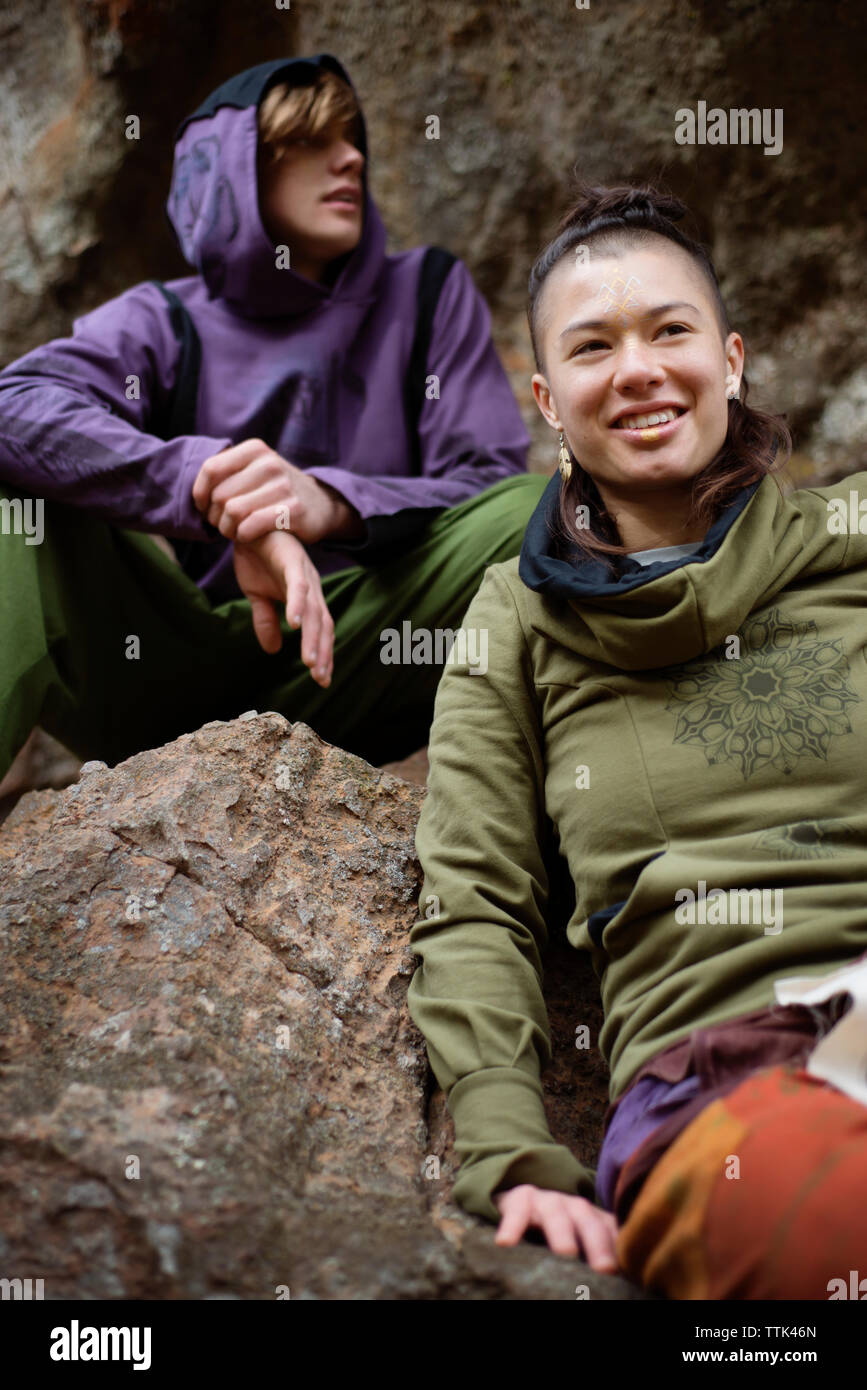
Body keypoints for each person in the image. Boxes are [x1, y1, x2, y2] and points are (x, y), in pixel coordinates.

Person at [407, 180, 867, 1300]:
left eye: (672, 330)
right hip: (730, 1077)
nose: (641, 369)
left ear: (734, 357)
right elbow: (473, 897)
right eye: (594, 345)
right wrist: (514, 1149)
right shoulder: (512, 616)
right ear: (548, 400)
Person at [0, 53, 547, 781]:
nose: (350, 157)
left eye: (352, 137)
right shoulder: (164, 318)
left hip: (366, 651)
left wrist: (324, 504)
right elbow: (14, 406)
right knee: (14, 493)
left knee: (537, 514)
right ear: (233, 170)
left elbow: (485, 488)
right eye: (311, 141)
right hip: (175, 677)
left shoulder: (424, 292)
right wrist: (210, 488)